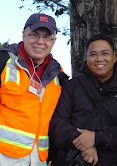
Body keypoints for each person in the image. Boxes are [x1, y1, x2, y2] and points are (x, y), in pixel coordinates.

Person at [49, 34, 117, 166]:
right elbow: (57, 125)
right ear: (86, 57)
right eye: (93, 54)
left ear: (114, 56)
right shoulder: (72, 86)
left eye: (105, 53)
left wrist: (96, 138)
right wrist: (83, 142)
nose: (99, 59)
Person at [0, 13, 68, 166]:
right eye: (34, 35)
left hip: (38, 160)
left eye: (47, 37)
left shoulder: (59, 75)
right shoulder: (3, 61)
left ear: (54, 41)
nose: (40, 42)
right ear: (24, 35)